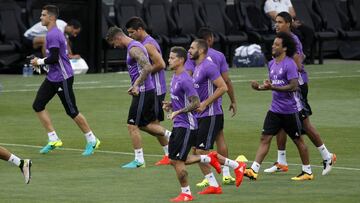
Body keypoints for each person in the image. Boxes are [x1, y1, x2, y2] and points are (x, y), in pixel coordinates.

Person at [164, 46, 245, 201]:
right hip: (180, 124)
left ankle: (187, 193)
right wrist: (171, 105)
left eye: (172, 58)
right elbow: (183, 101)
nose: (169, 60)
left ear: (181, 60)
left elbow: (195, 103)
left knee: (178, 160)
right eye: (169, 57)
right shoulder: (175, 77)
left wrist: (178, 112)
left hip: (187, 125)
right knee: (176, 159)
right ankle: (211, 160)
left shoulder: (185, 79)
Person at [263, 12, 336, 175]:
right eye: (276, 22)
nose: (277, 25)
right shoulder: (283, 40)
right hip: (287, 86)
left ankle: (327, 155)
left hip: (297, 87)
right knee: (280, 119)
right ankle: (281, 161)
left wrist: (282, 75)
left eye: (280, 22)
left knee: (305, 124)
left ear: (288, 23)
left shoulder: (292, 40)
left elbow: (297, 65)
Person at [30, 5, 100, 156]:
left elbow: (54, 58)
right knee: (38, 105)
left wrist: (39, 62)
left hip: (63, 78)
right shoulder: (50, 33)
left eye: (43, 15)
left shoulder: (54, 34)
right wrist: (40, 62)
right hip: (52, 77)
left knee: (72, 111)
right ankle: (53, 139)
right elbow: (53, 57)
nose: (41, 17)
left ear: (51, 17)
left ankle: (92, 140)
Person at [245, 32, 313, 181]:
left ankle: (307, 172)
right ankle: (253, 170)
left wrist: (272, 88)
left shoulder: (290, 64)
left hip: (290, 110)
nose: (273, 46)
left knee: (298, 140)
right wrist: (259, 88)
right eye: (273, 44)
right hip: (275, 109)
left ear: (285, 48)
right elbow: (272, 84)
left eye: (277, 44)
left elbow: (294, 86)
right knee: (265, 138)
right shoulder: (271, 64)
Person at [106, 26, 172, 169]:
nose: (115, 46)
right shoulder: (134, 46)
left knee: (132, 125)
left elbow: (148, 67)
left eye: (113, 43)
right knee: (143, 124)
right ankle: (172, 135)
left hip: (143, 91)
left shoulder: (133, 49)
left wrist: (136, 84)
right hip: (144, 91)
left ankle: (139, 160)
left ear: (117, 38)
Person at [189, 39, 246, 194]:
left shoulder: (208, 66)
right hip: (202, 115)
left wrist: (206, 103)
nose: (189, 50)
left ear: (200, 50)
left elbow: (223, 87)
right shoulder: (197, 66)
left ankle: (232, 169)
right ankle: (222, 177)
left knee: (200, 152)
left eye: (192, 48)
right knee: (197, 151)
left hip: (211, 114)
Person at [125, 17, 170, 166]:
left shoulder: (148, 44)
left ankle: (173, 144)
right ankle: (169, 153)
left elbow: (161, 64)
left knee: (144, 123)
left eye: (132, 32)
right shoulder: (141, 44)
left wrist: (142, 75)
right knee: (149, 123)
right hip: (151, 87)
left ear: (140, 29)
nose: (130, 35)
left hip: (154, 88)